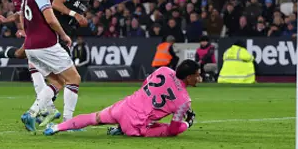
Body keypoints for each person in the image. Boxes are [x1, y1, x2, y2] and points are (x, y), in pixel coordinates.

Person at [44, 59, 200, 137]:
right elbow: (173, 130)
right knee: (164, 129)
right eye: (197, 75)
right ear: (188, 77)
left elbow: (145, 83)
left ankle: (56, 128)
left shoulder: (164, 70)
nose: (198, 78)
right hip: (135, 124)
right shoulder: (184, 101)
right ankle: (122, 129)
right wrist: (188, 123)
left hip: (125, 106)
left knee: (94, 117)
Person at [20, 0, 83, 132]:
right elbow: (50, 17)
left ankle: (31, 113)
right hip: (46, 45)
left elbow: (23, 16)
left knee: (57, 81)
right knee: (74, 78)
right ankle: (68, 123)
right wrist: (63, 35)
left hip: (31, 47)